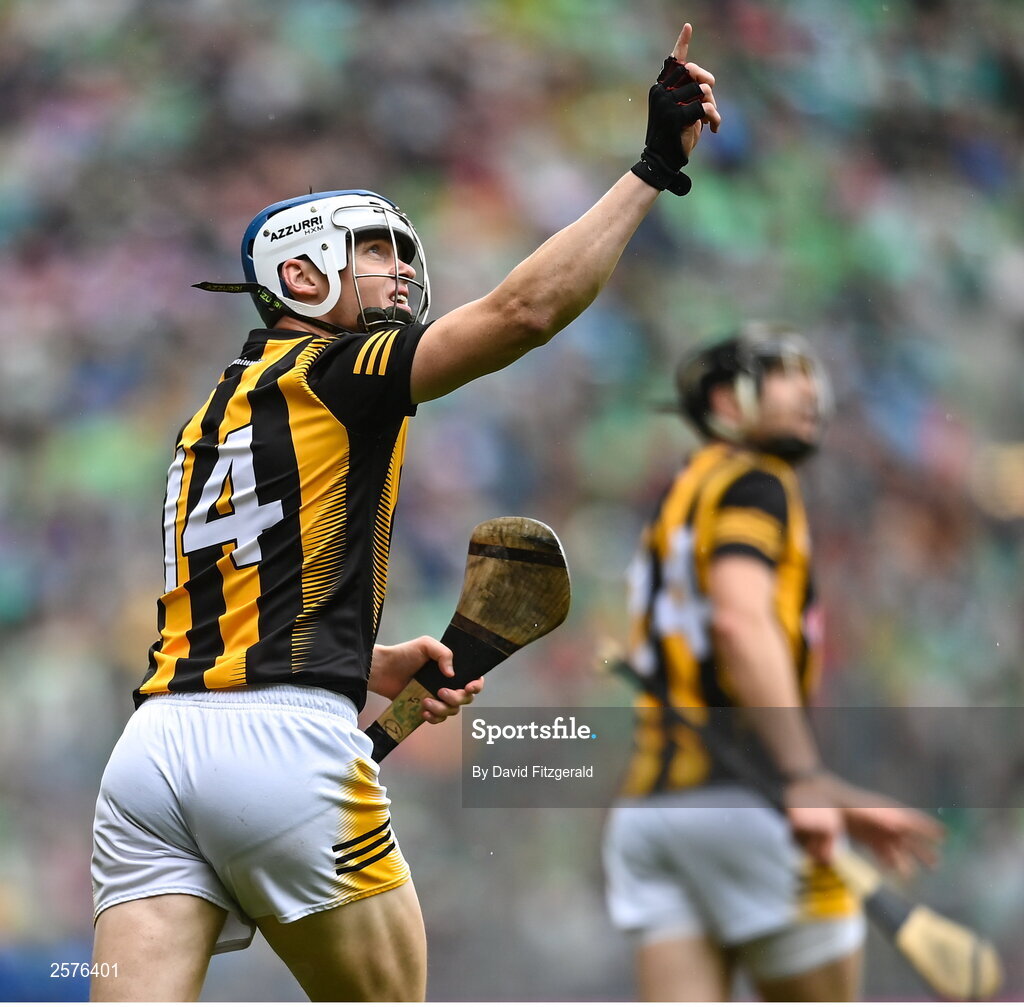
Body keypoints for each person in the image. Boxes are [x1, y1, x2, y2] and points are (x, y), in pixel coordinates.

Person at [90, 22, 722, 1003]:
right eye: (373, 250)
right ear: (300, 277)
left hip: (148, 762)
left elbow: (233, 600)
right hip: (283, 754)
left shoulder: (210, 412)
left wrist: (368, 665)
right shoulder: (339, 371)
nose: (400, 271)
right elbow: (523, 314)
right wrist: (650, 169)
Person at [602, 325, 946, 1002]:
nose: (810, 389)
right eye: (783, 373)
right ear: (727, 403)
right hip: (747, 812)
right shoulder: (757, 481)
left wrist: (835, 797)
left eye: (809, 373)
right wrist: (803, 776)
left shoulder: (681, 492)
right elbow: (738, 620)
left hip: (652, 816)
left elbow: (702, 691)